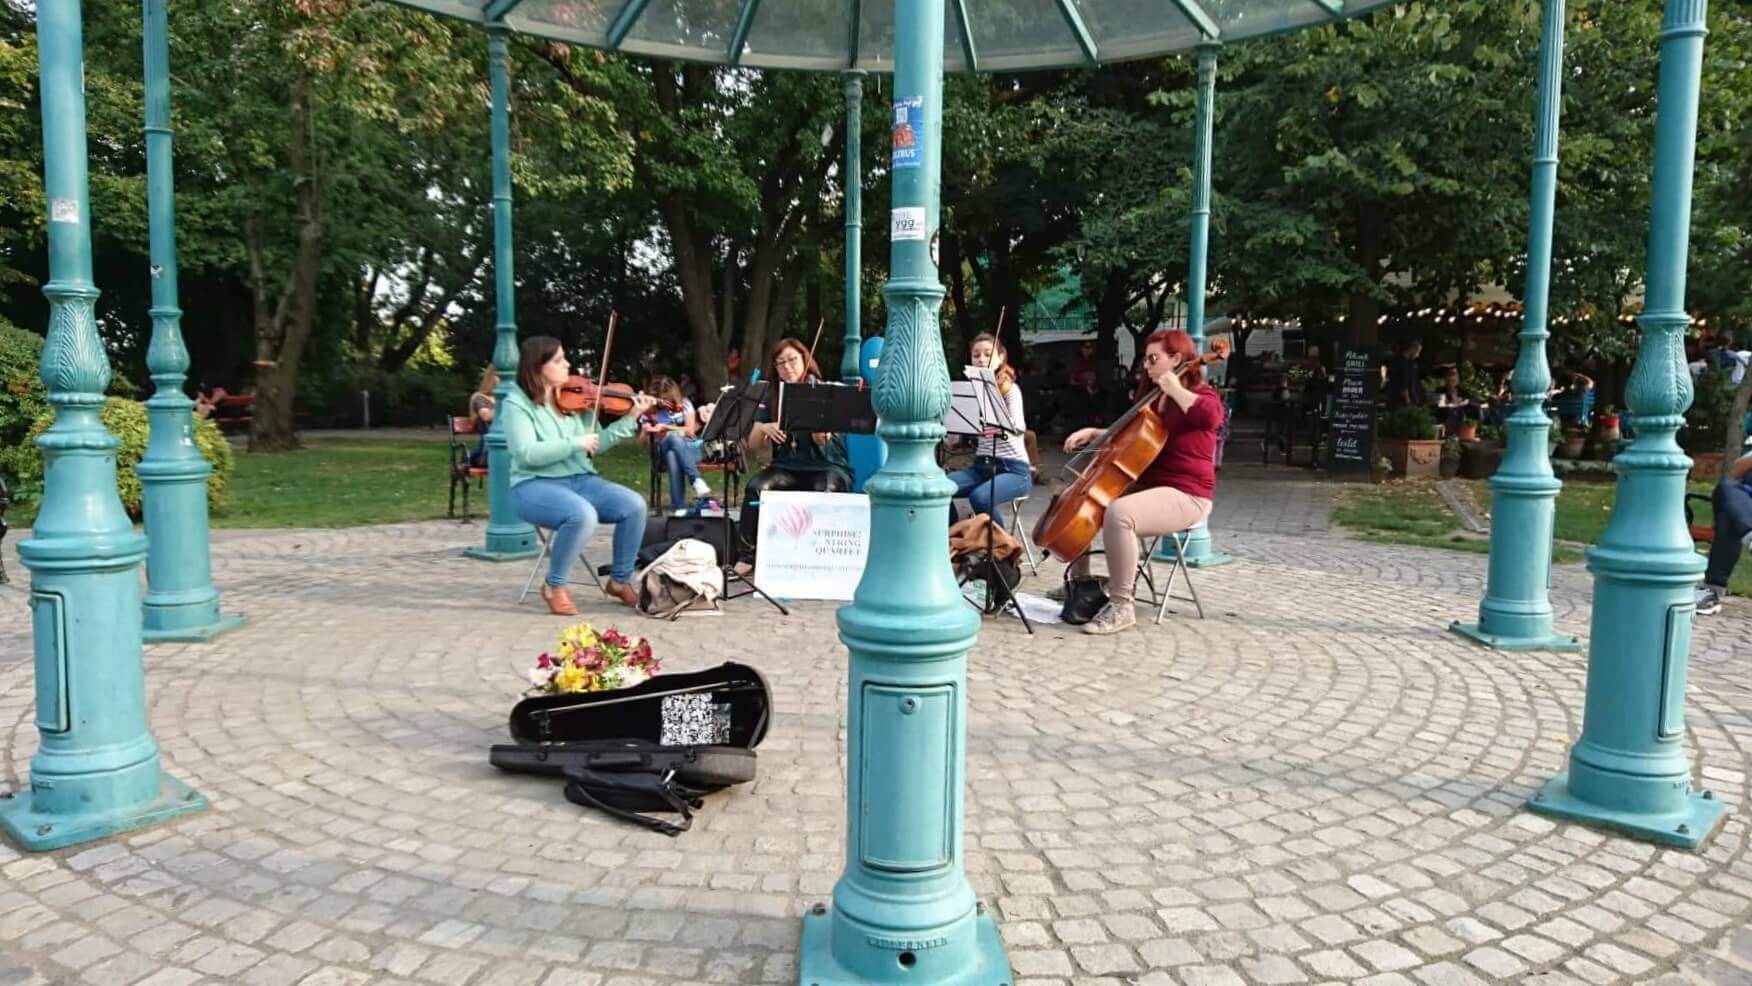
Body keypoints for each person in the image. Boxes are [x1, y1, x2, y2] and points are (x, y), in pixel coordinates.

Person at [1060, 330, 1224, 636]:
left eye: (1153, 359)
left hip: (1188, 494)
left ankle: (1122, 605)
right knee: (1085, 496)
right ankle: (1080, 584)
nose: (1146, 367)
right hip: (1153, 488)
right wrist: (1098, 433)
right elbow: (1133, 437)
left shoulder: (1200, 396)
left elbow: (1212, 417)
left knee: (1120, 513)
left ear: (1176, 359)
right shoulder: (1153, 400)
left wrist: (1176, 389)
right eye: (1146, 359)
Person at [500, 336, 655, 615]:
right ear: (538, 366)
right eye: (559, 360)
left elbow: (596, 444)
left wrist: (631, 418)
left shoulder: (578, 401)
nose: (567, 365)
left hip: (580, 480)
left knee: (634, 505)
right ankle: (554, 585)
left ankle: (619, 581)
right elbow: (526, 453)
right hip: (532, 485)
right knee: (582, 514)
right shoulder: (516, 403)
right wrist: (575, 443)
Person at [734, 339, 852, 576]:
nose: (787, 367)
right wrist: (765, 428)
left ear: (805, 359)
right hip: (787, 467)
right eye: (780, 363)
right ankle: (748, 556)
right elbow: (752, 443)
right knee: (757, 486)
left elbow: (823, 441)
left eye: (792, 360)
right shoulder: (772, 394)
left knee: (825, 488)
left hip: (826, 466)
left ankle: (820, 557)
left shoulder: (821, 390)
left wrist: (820, 428)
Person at [946, 334, 1033, 529]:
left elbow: (1019, 427)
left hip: (1013, 470)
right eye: (976, 355)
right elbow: (955, 440)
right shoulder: (970, 392)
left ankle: (1000, 553)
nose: (981, 359)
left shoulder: (1009, 389)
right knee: (940, 489)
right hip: (981, 467)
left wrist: (993, 412)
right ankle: (952, 541)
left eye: (988, 354)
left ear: (1001, 357)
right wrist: (950, 427)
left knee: (981, 498)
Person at [639, 375, 713, 513]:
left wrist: (667, 428)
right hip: (661, 450)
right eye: (661, 398)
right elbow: (642, 444)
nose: (664, 402)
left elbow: (690, 431)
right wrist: (645, 431)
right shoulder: (650, 411)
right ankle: (696, 481)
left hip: (691, 449)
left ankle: (678, 508)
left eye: (667, 398)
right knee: (672, 442)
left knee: (673, 453)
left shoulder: (684, 404)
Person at [1695, 451, 1752, 616]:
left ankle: (1712, 589)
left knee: (1729, 516)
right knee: (1727, 488)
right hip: (1746, 505)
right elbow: (1736, 472)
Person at [467, 367, 498, 468]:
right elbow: (486, 416)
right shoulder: (479, 397)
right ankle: (476, 457)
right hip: (488, 444)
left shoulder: (508, 397)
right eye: (499, 376)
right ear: (491, 378)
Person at [1384, 340, 1424, 408]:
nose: (1418, 355)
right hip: (1400, 401)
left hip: (1396, 398)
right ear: (1412, 349)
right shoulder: (1403, 363)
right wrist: (1408, 402)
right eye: (1418, 351)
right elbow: (1403, 384)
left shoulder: (1403, 361)